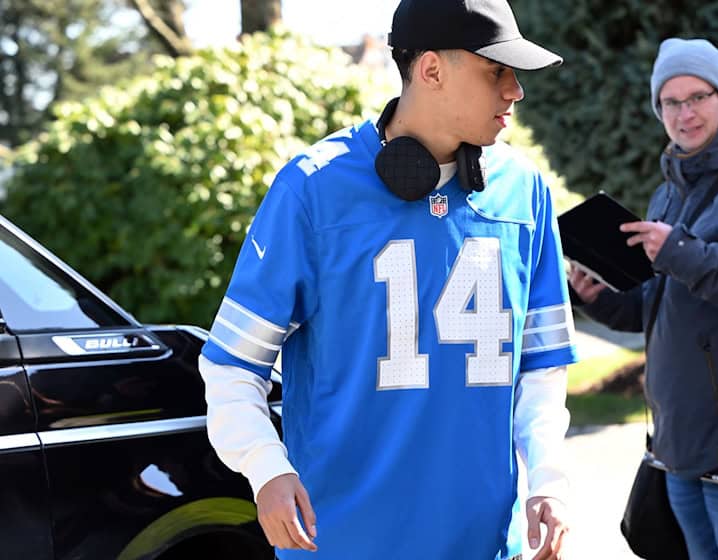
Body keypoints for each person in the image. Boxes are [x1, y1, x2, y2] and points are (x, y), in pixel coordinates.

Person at [197, 1, 578, 558]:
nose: (515, 91)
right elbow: (232, 367)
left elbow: (541, 369)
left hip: (491, 544)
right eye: (497, 71)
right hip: (343, 544)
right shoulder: (312, 191)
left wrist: (548, 480)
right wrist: (266, 470)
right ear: (431, 70)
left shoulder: (526, 194)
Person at [570, 37, 718, 559]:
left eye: (698, 97)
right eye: (670, 102)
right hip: (684, 448)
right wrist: (600, 299)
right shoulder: (672, 190)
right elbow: (665, 308)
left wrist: (678, 251)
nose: (685, 113)